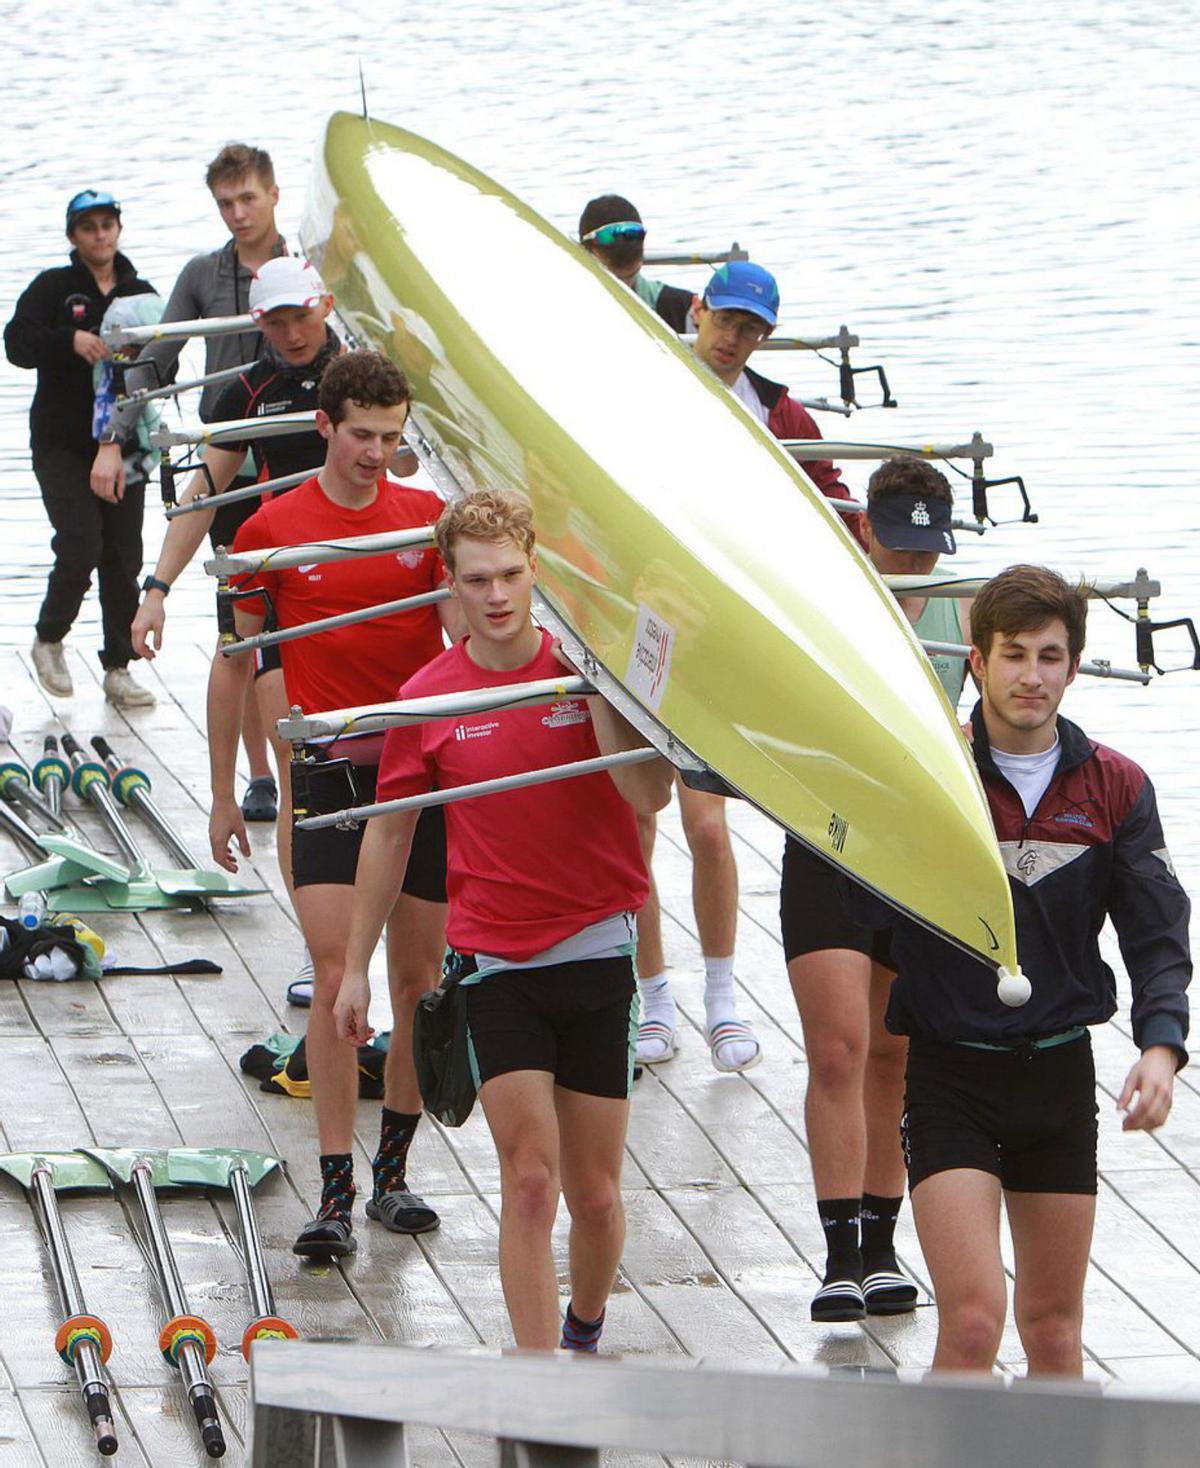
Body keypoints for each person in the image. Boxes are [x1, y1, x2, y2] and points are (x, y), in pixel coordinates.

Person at [335, 488, 673, 1350]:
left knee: (595, 1196)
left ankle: (585, 1329)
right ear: (450, 586)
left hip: (599, 952)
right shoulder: (426, 700)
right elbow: (388, 837)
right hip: (495, 967)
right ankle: (536, 1393)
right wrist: (353, 969)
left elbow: (650, 794)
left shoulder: (582, 664)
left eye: (512, 575)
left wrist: (599, 690)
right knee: (529, 1183)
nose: (495, 596)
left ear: (537, 574)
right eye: (477, 579)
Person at [876, 564, 1190, 1376]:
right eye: (1014, 655)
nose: (1032, 676)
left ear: (1074, 667)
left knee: (1052, 1331)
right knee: (974, 1323)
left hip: (1057, 1077)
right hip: (950, 1079)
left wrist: (1161, 1046)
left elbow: (1157, 935)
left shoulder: (1115, 786)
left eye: (1051, 657)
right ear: (976, 661)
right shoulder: (928, 775)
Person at [207, 349, 460, 1257]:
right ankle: (332, 1191)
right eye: (362, 436)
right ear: (324, 426)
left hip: (419, 775)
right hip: (328, 776)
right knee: (331, 976)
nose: (376, 454)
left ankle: (393, 1173)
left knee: (417, 983)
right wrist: (226, 795)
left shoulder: (430, 522)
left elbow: (474, 635)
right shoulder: (271, 528)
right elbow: (235, 662)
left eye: (393, 439)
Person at [634, 259, 856, 1075]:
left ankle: (723, 1000)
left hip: (720, 639)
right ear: (696, 311)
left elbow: (835, 500)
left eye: (752, 330)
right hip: (641, 621)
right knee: (635, 824)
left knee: (706, 826)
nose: (734, 339)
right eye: (725, 320)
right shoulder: (644, 384)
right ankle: (654, 998)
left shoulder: (779, 410)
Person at [781, 456, 969, 1322]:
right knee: (837, 1050)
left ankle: (884, 1242)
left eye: (928, 552)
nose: (914, 567)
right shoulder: (820, 602)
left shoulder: (965, 609)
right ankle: (838, 1251)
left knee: (892, 1053)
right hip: (829, 844)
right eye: (899, 548)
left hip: (917, 856)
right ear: (864, 530)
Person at [96, 143, 289, 807]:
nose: (238, 214)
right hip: (225, 463)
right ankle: (260, 774)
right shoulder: (204, 273)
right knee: (241, 624)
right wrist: (113, 441)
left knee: (302, 613)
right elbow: (156, 360)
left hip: (295, 460)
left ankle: (310, 751)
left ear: (274, 194)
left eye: (248, 200)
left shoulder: (308, 267)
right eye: (225, 204)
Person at [5, 189, 158, 708]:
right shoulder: (53, 287)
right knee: (80, 542)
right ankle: (50, 638)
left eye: (107, 224)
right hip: (62, 443)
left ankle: (119, 666)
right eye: (88, 226)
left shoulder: (140, 290)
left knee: (123, 555)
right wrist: (66, 339)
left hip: (127, 440)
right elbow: (15, 343)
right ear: (73, 235)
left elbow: (165, 360)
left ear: (118, 228)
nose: (100, 234)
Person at [578, 195, 697, 331]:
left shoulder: (682, 309)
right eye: (612, 279)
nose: (624, 288)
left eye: (630, 277)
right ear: (584, 255)